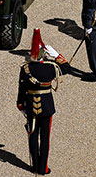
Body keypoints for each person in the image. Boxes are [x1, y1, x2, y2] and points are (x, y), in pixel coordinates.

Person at [16, 29, 71, 175]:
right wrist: (57, 55)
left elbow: (21, 89)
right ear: (43, 54)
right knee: (45, 139)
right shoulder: (50, 67)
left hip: (30, 107)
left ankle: (34, 165)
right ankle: (43, 168)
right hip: (46, 107)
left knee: (33, 137)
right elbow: (66, 68)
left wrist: (21, 105)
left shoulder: (25, 69)